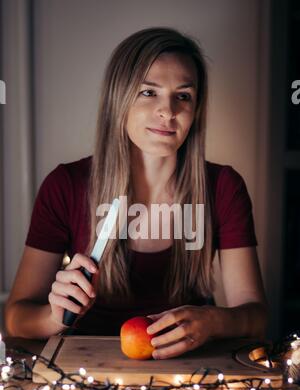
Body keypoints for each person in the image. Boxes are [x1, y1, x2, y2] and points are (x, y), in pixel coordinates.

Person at [4, 27, 268, 359]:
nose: (168, 111)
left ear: (196, 109)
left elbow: (255, 317)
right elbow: (15, 319)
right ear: (119, 98)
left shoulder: (224, 187)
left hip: (191, 370)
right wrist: (53, 316)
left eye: (183, 96)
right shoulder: (65, 185)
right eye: (148, 92)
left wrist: (214, 321)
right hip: (85, 368)